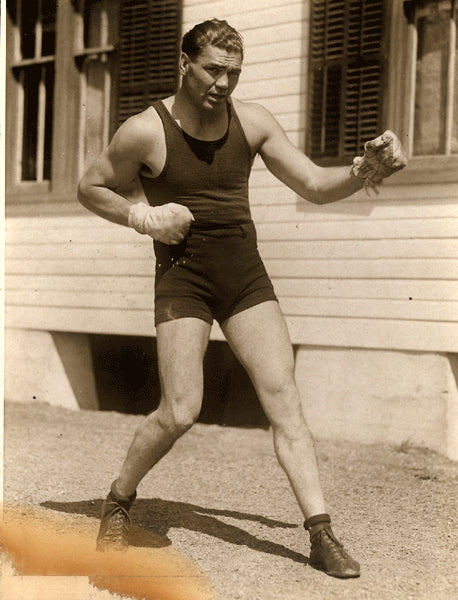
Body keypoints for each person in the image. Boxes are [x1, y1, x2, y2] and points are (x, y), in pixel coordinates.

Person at [78, 19, 406, 579]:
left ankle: (321, 531)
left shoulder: (252, 122)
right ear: (185, 64)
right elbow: (90, 186)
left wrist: (363, 170)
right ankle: (118, 499)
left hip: (244, 277)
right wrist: (142, 216)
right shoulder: (145, 130)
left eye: (234, 72)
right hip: (183, 276)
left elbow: (315, 186)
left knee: (285, 402)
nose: (224, 83)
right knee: (181, 409)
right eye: (213, 70)